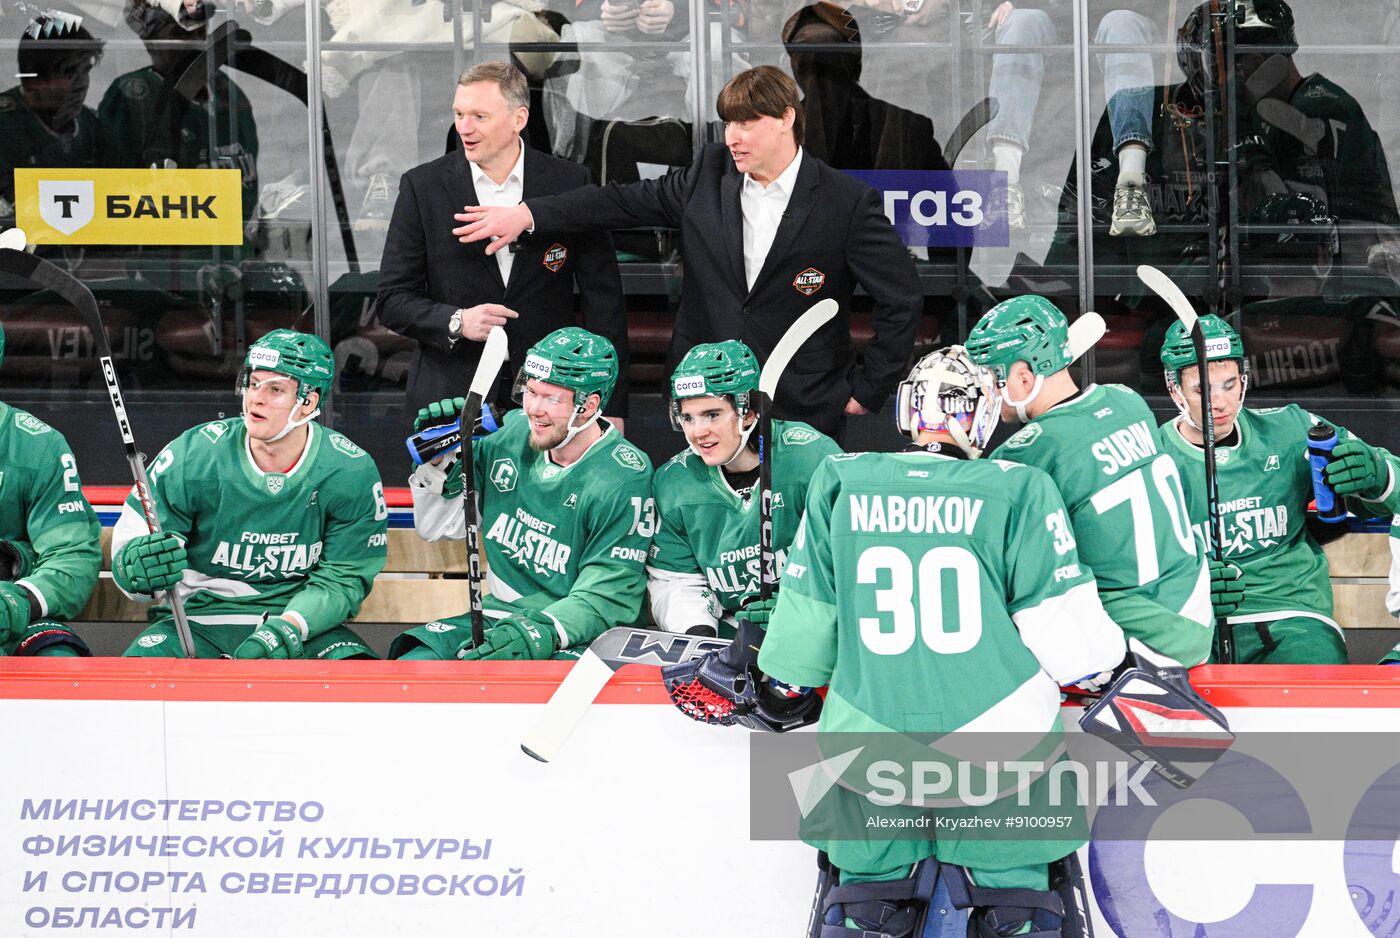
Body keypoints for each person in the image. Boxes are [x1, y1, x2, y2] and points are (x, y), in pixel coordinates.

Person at [757, 345, 1125, 935]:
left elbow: (802, 639)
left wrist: (782, 686)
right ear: (981, 415)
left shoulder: (841, 480)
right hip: (1001, 749)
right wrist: (1113, 666)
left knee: (865, 907)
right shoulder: (1018, 487)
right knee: (1016, 910)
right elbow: (1072, 645)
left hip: (868, 747)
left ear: (908, 409)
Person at [451, 65, 922, 439]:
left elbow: (900, 296)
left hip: (804, 404)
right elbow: (617, 202)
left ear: (786, 119)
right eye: (729, 123)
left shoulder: (845, 202)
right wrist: (528, 214)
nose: (733, 136)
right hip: (704, 404)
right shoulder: (708, 176)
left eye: (747, 123)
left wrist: (869, 388)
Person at [966, 294, 1216, 668]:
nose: (985, 393)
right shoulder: (1127, 401)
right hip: (1193, 614)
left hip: (1141, 639)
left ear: (1023, 377)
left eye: (991, 379)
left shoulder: (1025, 453)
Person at [376, 60, 630, 425]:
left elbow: (604, 303)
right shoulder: (422, 187)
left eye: (480, 116)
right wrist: (457, 321)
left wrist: (611, 405)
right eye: (459, 114)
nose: (464, 128)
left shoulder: (570, 182)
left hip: (554, 395)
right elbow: (392, 300)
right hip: (451, 395)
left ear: (519, 119)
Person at [112, 329, 387, 659]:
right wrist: (135, 569)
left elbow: (342, 578)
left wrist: (288, 628)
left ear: (309, 402)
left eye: (276, 389)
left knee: (359, 680)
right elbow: (137, 550)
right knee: (139, 675)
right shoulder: (195, 453)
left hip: (304, 625)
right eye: (254, 384)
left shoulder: (348, 470)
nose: (256, 398)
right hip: (196, 621)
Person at [392, 327, 653, 661]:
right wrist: (438, 464)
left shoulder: (623, 476)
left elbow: (607, 596)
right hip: (498, 616)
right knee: (413, 666)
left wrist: (537, 632)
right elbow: (438, 528)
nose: (534, 409)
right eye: (530, 391)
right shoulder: (509, 433)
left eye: (551, 398)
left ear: (589, 405)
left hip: (578, 633)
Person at [1157, 314, 1400, 664]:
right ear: (1174, 389)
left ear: (1243, 380)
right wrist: (1184, 591)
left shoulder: (1292, 429)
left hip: (1293, 616)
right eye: (1202, 389)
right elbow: (1124, 566)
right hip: (1192, 626)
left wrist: (1377, 473)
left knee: (1317, 688)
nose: (1219, 402)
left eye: (1229, 385)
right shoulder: (1150, 458)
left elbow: (1387, 492)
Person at [647, 340, 840, 638]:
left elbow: (847, 559)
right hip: (730, 633)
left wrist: (801, 608)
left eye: (712, 415)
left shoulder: (811, 459)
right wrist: (700, 635)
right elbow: (676, 580)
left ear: (748, 412)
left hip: (814, 632)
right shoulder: (674, 482)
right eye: (688, 417)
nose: (698, 431)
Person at [984, 1, 1160, 235]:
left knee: (1121, 23)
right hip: (1056, 32)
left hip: (1118, 23)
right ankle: (1004, 184)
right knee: (1021, 22)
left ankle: (1132, 185)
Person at [0, 323, 99, 657]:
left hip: (10, 619)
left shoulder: (38, 446)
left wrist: (17, 598)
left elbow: (71, 557)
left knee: (59, 661)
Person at [0, 12, 105, 227]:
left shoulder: (92, 127)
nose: (82, 83)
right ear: (34, 80)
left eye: (86, 71)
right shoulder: (4, 124)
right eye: (69, 72)